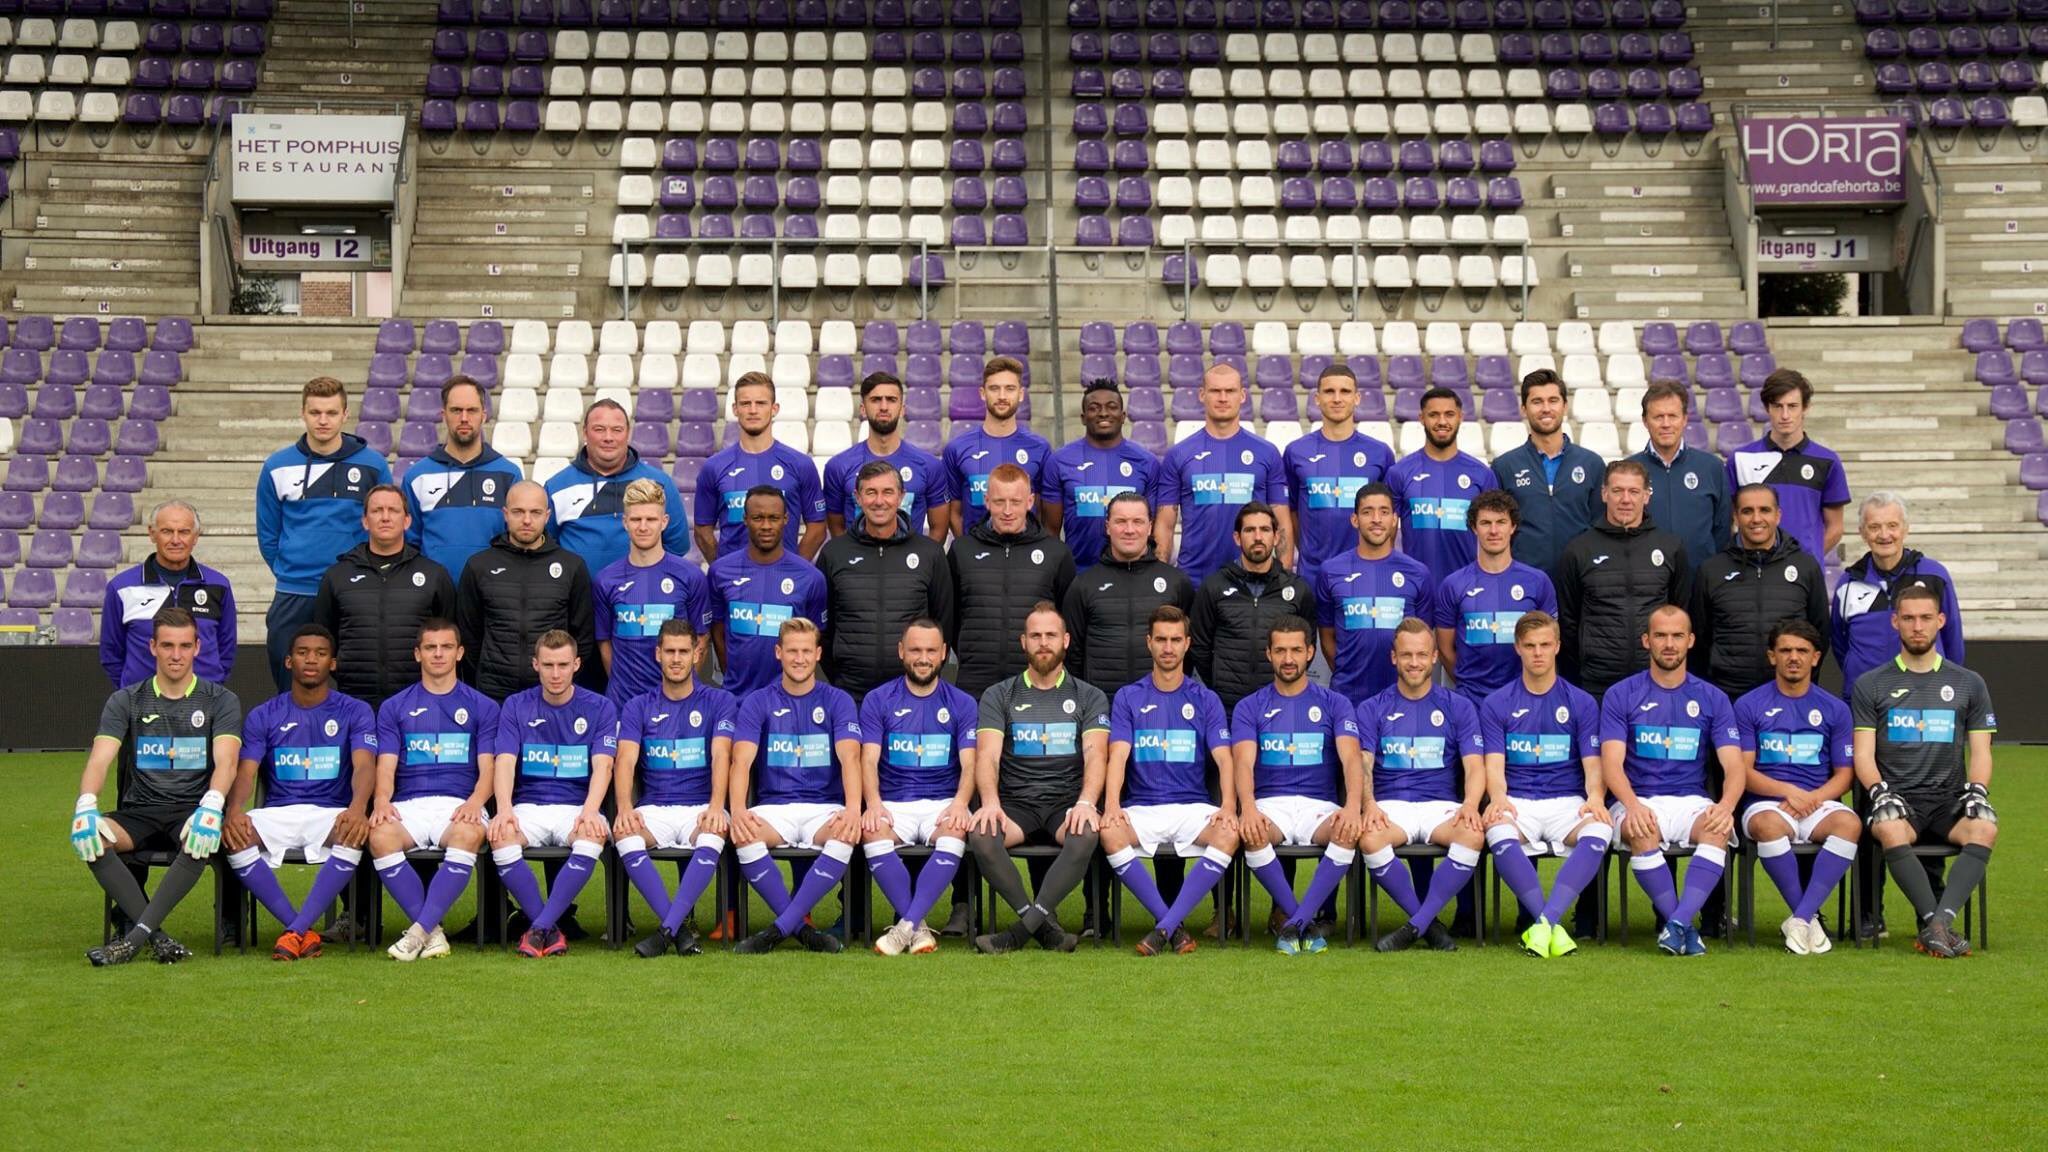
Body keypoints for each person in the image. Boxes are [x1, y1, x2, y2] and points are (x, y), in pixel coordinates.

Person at [74, 608, 243, 967]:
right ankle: (158, 938)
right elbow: (100, 759)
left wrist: (212, 805)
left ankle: (132, 940)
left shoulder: (220, 700)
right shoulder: (126, 699)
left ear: (198, 647)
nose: (176, 655)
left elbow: (227, 762)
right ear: (152, 647)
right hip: (139, 811)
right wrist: (86, 804)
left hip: (191, 810)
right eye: (167, 645)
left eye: (184, 646)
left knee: (200, 836)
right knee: (91, 836)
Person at [1851, 584, 1998, 959]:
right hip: (1899, 800)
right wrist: (1879, 792)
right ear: (1895, 622)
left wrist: (1978, 790)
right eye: (1909, 618)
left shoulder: (1969, 682)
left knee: (1985, 827)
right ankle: (1939, 925)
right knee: (1888, 828)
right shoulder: (1871, 684)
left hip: (1948, 801)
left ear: (1941, 621)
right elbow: (1863, 754)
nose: (1917, 626)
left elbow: (1981, 751)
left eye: (1926, 618)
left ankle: (1936, 925)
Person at [222, 624, 378, 962]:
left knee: (353, 832)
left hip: (331, 812)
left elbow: (365, 766)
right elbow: (246, 771)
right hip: (279, 811)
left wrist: (357, 808)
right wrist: (234, 811)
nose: (311, 660)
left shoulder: (355, 711)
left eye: (320, 654)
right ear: (289, 661)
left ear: (332, 663)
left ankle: (295, 930)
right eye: (303, 653)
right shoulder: (264, 714)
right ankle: (300, 930)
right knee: (235, 836)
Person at [1599, 605, 1745, 956]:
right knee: (1641, 829)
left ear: (1690, 640)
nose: (1669, 644)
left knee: (1717, 828)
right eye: (1661, 636)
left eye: (1677, 635)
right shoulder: (1621, 694)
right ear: (1646, 640)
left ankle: (1677, 924)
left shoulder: (1712, 697)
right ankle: (1684, 926)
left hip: (1690, 799)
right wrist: (1632, 806)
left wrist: (1726, 806)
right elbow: (1611, 765)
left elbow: (1734, 766)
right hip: (1637, 798)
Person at [968, 602, 1110, 954]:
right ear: (1023, 642)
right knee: (982, 834)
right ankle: (1044, 927)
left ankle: (1018, 933)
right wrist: (990, 803)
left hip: (1066, 802)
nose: (1043, 642)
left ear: (1066, 640)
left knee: (1086, 831)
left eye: (1050, 635)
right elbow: (987, 755)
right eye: (1035, 636)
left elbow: (1096, 755)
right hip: (1017, 803)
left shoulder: (1089, 695)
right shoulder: (999, 694)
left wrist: (1086, 802)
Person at [1101, 607, 1240, 956]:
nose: (1168, 647)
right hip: (1143, 806)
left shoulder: (1205, 699)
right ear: (1148, 642)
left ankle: (1163, 927)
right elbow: (1117, 756)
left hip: (1192, 806)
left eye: (1175, 640)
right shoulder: (1128, 696)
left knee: (1229, 833)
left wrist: (1228, 806)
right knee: (1110, 832)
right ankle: (1173, 927)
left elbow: (1225, 759)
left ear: (1187, 644)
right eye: (1161, 639)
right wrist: (1112, 805)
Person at [725, 618, 863, 955]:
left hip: (824, 807)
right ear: (778, 653)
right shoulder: (757, 701)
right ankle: (802, 930)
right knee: (743, 833)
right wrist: (738, 810)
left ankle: (778, 929)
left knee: (845, 832)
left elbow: (850, 758)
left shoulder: (838, 700)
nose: (799, 659)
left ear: (818, 654)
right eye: (791, 651)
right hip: (775, 808)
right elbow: (740, 761)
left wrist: (853, 810)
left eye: (806, 651)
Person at [1477, 611, 1610, 960]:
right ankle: (1551, 925)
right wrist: (1498, 798)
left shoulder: (1581, 702)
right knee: (1497, 830)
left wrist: (1596, 797)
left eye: (1545, 645)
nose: (1538, 653)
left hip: (1566, 801)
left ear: (1557, 646)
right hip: (1519, 800)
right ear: (1517, 648)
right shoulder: (1496, 703)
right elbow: (1494, 765)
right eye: (1530, 646)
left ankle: (1544, 922)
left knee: (1600, 829)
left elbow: (1593, 764)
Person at [1232, 616, 1368, 955]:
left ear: (1310, 652)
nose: (1288, 659)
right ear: (1269, 654)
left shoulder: (1335, 703)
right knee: (1252, 833)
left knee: (1347, 831)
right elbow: (1243, 763)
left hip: (1318, 805)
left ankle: (1294, 922)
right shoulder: (1250, 706)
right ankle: (1303, 921)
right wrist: (1248, 808)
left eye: (1296, 650)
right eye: (1280, 651)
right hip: (1270, 805)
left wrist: (1353, 806)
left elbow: (1352, 760)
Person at [366, 619, 500, 962]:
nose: (438, 654)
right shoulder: (394, 707)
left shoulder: (483, 706)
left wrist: (475, 801)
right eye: (430, 647)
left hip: (458, 803)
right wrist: (381, 800)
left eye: (446, 647)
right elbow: (386, 766)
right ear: (418, 654)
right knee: (379, 836)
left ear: (459, 652)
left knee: (469, 833)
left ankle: (416, 934)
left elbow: (489, 769)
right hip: (409, 803)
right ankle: (432, 932)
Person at [1354, 620, 1487, 952]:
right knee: (1369, 839)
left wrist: (1471, 805)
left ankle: (1417, 924)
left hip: (1439, 805)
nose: (1414, 662)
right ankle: (1429, 924)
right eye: (1406, 655)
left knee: (1473, 835)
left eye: (1421, 655)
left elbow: (1475, 766)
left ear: (1435, 657)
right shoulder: (1372, 708)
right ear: (1393, 658)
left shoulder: (1459, 706)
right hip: (1392, 806)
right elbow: (1363, 764)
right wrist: (1369, 804)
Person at [487, 630, 619, 959]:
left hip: (576, 806)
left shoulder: (601, 707)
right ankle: (549, 929)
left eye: (563, 665)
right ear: (536, 665)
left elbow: (604, 766)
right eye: (548, 665)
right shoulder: (516, 705)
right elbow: (505, 762)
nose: (556, 673)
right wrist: (504, 809)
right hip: (529, 805)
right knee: (501, 835)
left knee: (591, 833)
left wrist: (591, 810)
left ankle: (539, 928)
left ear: (577, 664)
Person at [611, 619, 737, 959]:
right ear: (658, 654)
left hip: (701, 806)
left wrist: (716, 806)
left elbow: (721, 754)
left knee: (714, 831)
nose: (677, 659)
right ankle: (679, 929)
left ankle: (666, 930)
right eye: (670, 651)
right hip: (655, 807)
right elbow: (625, 761)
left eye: (684, 651)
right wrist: (624, 808)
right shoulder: (637, 706)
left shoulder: (720, 701)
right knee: (624, 833)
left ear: (697, 654)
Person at [1732, 619, 1858, 955]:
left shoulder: (1835, 709)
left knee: (1850, 824)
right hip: (1767, 802)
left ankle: (1801, 918)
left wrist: (1812, 798)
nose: (1793, 657)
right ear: (1772, 656)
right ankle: (1809, 919)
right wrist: (1788, 792)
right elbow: (1742, 770)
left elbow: (1845, 775)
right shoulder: (1748, 705)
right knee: (1767, 825)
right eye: (1785, 650)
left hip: (1817, 801)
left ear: (1815, 658)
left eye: (1802, 651)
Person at [256, 376, 390, 690]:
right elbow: (268, 534)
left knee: (356, 687)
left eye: (331, 413)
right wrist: (292, 569)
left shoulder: (373, 465)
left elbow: (386, 524)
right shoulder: (277, 466)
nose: (323, 420)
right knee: (290, 687)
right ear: (303, 413)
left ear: (345, 415)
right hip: (295, 593)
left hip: (353, 591)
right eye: (315, 412)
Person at [860, 618, 981, 956]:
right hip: (893, 802)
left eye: (930, 650)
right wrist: (874, 804)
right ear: (901, 651)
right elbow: (867, 760)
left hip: (942, 802)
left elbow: (970, 764)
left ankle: (904, 928)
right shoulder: (877, 699)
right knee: (872, 830)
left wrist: (960, 803)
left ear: (943, 653)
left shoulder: (962, 703)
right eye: (915, 650)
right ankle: (918, 927)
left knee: (956, 829)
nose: (923, 658)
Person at [312, 483, 457, 711]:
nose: (385, 517)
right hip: (355, 698)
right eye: (377, 510)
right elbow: (323, 636)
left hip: (417, 699)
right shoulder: (337, 575)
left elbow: (449, 633)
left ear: (407, 521)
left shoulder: (434, 575)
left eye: (393, 510)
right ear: (365, 521)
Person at [815, 460, 954, 699]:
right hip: (851, 691)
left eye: (887, 492)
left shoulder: (929, 553)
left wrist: (923, 674)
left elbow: (944, 622)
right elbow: (824, 626)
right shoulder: (834, 553)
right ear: (858, 498)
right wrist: (841, 674)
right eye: (871, 492)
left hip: (913, 691)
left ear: (901, 497)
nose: (879, 501)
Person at [1556, 460, 1688, 698]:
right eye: (1617, 491)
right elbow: (1568, 620)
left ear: (1646, 496)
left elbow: (1681, 613)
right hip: (1597, 682)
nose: (1625, 499)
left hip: (1656, 679)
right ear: (1604, 494)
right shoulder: (1579, 549)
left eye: (1634, 491)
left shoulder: (1671, 547)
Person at [455, 480, 596, 700]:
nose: (527, 520)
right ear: (505, 514)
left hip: (550, 694)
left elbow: (583, 637)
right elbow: (468, 634)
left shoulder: (572, 567)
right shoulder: (479, 566)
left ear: (547, 516)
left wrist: (559, 680)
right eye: (518, 512)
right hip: (494, 692)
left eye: (535, 512)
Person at [947, 463, 1076, 700]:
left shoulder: (1056, 553)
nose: (1007, 511)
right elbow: (950, 618)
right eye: (999, 502)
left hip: (1036, 683)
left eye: (1015, 502)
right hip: (975, 682)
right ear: (987, 501)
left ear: (1030, 502)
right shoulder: (962, 550)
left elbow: (1067, 620)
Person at [1688, 484, 1829, 701]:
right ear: (1736, 517)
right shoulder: (1711, 570)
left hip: (1788, 694)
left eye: (1764, 510)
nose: (1756, 519)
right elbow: (1700, 637)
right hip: (1728, 694)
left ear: (1778, 515)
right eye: (1747, 511)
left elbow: (1820, 632)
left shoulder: (1805, 567)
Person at [1154, 362, 1292, 583]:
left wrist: (1284, 580)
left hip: (1253, 582)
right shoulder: (1179, 454)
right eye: (1215, 391)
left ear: (1242, 395)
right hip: (1194, 580)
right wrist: (1159, 581)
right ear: (1202, 395)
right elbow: (1165, 524)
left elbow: (1282, 523)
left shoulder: (1267, 453)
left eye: (1230, 391)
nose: (1223, 398)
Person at [1061, 491, 1194, 699]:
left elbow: (1190, 650)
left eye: (1137, 522)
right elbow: (1072, 653)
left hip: (1161, 704)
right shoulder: (1084, 585)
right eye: (1121, 521)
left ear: (1150, 527)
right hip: (1102, 705)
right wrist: (1089, 700)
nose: (1129, 530)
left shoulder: (1176, 582)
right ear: (1108, 527)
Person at [1189, 502, 1317, 715]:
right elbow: (1199, 646)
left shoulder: (1298, 589)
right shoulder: (1213, 586)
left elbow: (1307, 646)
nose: (1258, 537)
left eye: (1265, 529)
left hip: (1280, 706)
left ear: (1276, 537)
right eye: (1250, 530)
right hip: (1227, 708)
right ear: (1237, 538)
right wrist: (1221, 684)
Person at [593, 477, 712, 706]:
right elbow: (605, 642)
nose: (643, 527)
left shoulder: (690, 576)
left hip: (676, 705)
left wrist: (680, 689)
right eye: (636, 519)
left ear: (664, 522)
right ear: (625, 522)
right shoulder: (605, 580)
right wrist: (622, 689)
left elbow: (701, 639)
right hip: (624, 706)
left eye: (651, 519)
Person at [1314, 483, 1435, 706]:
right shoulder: (1330, 571)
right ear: (1355, 520)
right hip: (1348, 698)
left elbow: (1423, 639)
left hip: (1404, 699)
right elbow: (1327, 637)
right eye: (1368, 512)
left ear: (1394, 520)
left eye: (1384, 512)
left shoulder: (1418, 573)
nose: (1376, 519)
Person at [1432, 489, 1557, 704]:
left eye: (1501, 522)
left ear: (1513, 526)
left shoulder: (1538, 582)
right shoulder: (1453, 585)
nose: (1493, 531)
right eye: (1485, 523)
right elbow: (1444, 649)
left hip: (1524, 700)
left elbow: (1549, 643)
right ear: (1474, 527)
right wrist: (1469, 685)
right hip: (1471, 701)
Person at [1832, 492, 1964, 693]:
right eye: (1874, 527)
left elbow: (1952, 639)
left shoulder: (1934, 575)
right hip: (1864, 698)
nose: (1884, 535)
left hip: (1924, 696)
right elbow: (1839, 643)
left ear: (1905, 529)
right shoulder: (1847, 583)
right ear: (1862, 533)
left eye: (1892, 525)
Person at [543, 399, 690, 577]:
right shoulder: (557, 487)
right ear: (585, 433)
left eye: (617, 430)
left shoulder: (659, 483)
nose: (608, 437)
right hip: (577, 594)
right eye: (599, 429)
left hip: (641, 593)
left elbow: (677, 546)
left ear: (628, 433)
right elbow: (545, 548)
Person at [100, 499, 237, 689]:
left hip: (205, 700)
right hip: (142, 701)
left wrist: (210, 687)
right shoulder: (121, 587)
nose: (175, 540)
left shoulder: (219, 585)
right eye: (167, 531)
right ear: (152, 533)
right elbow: (111, 653)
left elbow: (227, 650)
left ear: (195, 536)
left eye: (184, 532)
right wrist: (134, 693)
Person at [691, 370, 826, 563]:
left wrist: (795, 569)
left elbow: (817, 528)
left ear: (774, 409)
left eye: (761, 403)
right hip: (734, 578)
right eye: (745, 403)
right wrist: (724, 570)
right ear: (735, 409)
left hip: (783, 576)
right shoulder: (714, 467)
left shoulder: (800, 464)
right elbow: (702, 531)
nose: (753, 410)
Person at [707, 485, 828, 697]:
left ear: (785, 520)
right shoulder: (720, 572)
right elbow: (717, 631)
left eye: (773, 518)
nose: (766, 526)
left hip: (790, 699)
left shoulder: (810, 577)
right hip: (736, 699)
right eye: (758, 518)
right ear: (745, 519)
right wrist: (732, 677)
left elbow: (816, 638)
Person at [1282, 363, 1395, 588]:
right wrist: (1311, 552)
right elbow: (1291, 511)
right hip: (1312, 576)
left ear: (1357, 398)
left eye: (1345, 391)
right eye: (1329, 391)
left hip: (1365, 574)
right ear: (1317, 398)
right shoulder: (1296, 452)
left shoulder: (1380, 453)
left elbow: (1390, 515)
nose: (1337, 399)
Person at [402, 376, 525, 578]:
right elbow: (409, 543)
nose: (464, 418)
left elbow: (519, 541)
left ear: (484, 415)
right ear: (444, 415)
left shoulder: (508, 474)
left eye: (472, 410)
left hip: (491, 590)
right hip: (435, 591)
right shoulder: (418, 476)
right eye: (456, 410)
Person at [1489, 368, 1604, 580]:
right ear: (1524, 409)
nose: (1546, 408)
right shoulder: (1504, 467)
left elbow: (1601, 526)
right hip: (1523, 581)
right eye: (1537, 402)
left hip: (1580, 580)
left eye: (1553, 400)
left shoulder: (1592, 464)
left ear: (1565, 406)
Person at [1726, 368, 1850, 561]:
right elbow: (1728, 520)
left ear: (1805, 408)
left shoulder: (1827, 461)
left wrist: (1806, 562)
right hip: (1754, 569)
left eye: (1792, 406)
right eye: (1778, 406)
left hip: (1803, 574)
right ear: (1767, 408)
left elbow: (1835, 527)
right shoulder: (1741, 458)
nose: (1785, 415)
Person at [1037, 378, 1159, 570]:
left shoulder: (1146, 462)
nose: (1103, 413)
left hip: (1132, 573)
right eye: (1094, 408)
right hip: (1078, 573)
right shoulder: (1059, 461)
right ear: (1083, 417)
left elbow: (1152, 528)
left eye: (1111, 407)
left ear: (1123, 416)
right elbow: (1050, 530)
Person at [1386, 385, 1498, 587]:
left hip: (1467, 588)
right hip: (1416, 588)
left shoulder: (1482, 474)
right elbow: (1387, 537)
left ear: (1460, 417)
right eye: (1433, 415)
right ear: (1422, 418)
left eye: (1449, 414)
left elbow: (1494, 535)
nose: (1442, 421)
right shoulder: (1399, 472)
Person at [821, 370, 951, 539]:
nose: (883, 407)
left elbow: (939, 529)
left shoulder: (930, 466)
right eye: (876, 400)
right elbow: (836, 528)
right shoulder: (838, 466)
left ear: (902, 409)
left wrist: (919, 556)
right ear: (863, 409)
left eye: (891, 400)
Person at [941, 355, 1052, 539]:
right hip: (976, 554)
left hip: (1025, 551)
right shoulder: (957, 449)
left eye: (1009, 389)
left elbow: (1043, 511)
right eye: (994, 388)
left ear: (1021, 394)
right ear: (983, 393)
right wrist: (969, 547)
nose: (1002, 396)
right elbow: (953, 512)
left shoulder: (1040, 448)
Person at [1632, 380, 1729, 579]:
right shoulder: (1629, 470)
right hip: (1645, 583)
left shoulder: (1712, 467)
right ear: (1645, 421)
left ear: (1685, 419)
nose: (1666, 424)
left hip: (1700, 582)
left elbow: (1722, 529)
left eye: (1672, 416)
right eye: (1658, 417)